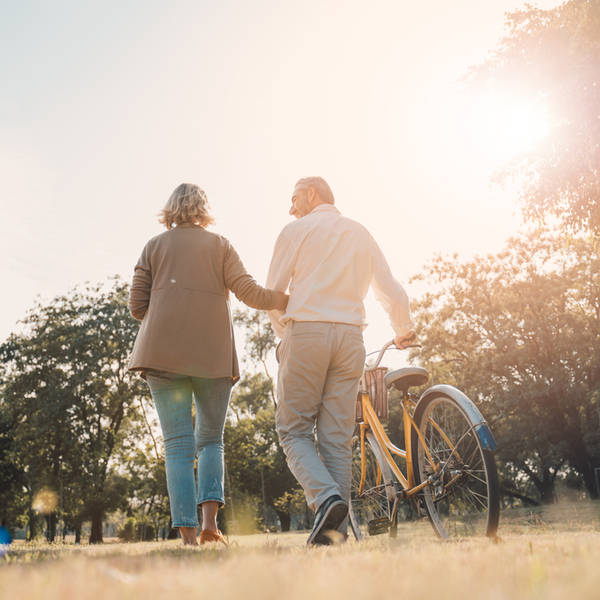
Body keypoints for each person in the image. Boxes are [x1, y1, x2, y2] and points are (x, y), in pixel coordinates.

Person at [128, 183, 288, 546]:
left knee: (177, 446)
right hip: (212, 359)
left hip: (162, 357)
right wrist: (288, 298)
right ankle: (209, 528)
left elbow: (137, 306)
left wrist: (169, 308)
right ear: (203, 209)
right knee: (211, 441)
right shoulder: (220, 245)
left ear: (170, 210)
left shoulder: (153, 247)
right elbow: (250, 293)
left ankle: (185, 535)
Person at [266, 176, 415, 546]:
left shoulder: (295, 230)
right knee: (335, 439)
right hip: (351, 338)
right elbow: (390, 289)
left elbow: (272, 295)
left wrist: (284, 335)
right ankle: (335, 536)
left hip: (307, 332)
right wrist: (404, 329)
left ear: (311, 193)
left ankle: (326, 498)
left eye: (294, 197)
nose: (291, 207)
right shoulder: (360, 232)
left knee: (293, 430)